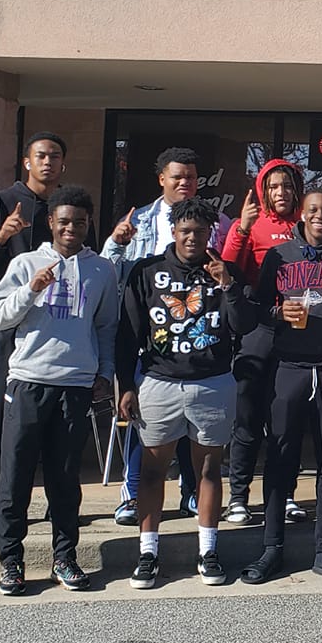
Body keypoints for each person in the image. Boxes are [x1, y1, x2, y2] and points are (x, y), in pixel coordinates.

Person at [118, 198, 259, 589]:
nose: (192, 238)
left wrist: (227, 284)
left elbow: (244, 325)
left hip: (212, 382)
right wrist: (125, 385)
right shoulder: (147, 271)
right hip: (159, 382)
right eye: (185, 231)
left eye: (199, 231)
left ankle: (208, 551)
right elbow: (128, 333)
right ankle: (148, 553)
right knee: (152, 470)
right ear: (173, 232)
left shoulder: (224, 271)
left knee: (209, 470)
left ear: (210, 233)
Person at [0, 186, 118, 596]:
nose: (71, 229)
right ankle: (12, 561)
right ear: (51, 223)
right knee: (16, 476)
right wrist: (31, 290)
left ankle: (65, 557)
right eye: (63, 222)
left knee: (64, 479)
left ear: (88, 224)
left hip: (75, 385)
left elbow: (106, 327)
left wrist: (105, 372)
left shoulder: (102, 270)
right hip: (28, 381)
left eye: (79, 222)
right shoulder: (26, 263)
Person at [241, 188, 322, 585]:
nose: (321, 216)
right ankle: (271, 548)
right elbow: (258, 307)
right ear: (302, 213)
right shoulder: (281, 255)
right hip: (289, 366)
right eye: (314, 209)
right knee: (280, 459)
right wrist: (278, 311)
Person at [102, 146, 232, 525]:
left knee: (198, 433)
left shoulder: (216, 222)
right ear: (162, 179)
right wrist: (117, 243)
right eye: (177, 176)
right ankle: (132, 496)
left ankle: (192, 494)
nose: (184, 182)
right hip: (153, 339)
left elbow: (228, 271)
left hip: (200, 338)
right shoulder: (139, 220)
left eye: (190, 176)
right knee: (144, 426)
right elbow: (112, 273)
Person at [0, 131, 72, 533]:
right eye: (41, 155)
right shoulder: (1, 202)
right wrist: (3, 235)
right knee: (1, 417)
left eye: (55, 156)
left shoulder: (68, 207)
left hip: (57, 330)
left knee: (53, 422)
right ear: (27, 162)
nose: (48, 162)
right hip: (10, 328)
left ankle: (55, 503)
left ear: (63, 164)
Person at [219, 157, 304, 526]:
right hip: (258, 327)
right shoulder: (251, 223)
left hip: (297, 329)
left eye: (286, 186)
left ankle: (285, 495)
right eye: (273, 187)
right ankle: (238, 497)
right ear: (263, 191)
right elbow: (227, 270)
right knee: (248, 417)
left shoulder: (306, 223)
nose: (280, 192)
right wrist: (242, 228)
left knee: (287, 420)